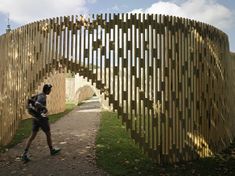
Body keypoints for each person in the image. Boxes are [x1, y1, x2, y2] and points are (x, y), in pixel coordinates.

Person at [21, 84, 61, 162]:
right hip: (41, 119)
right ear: (47, 90)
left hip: (35, 118)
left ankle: (24, 154)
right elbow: (37, 104)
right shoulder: (43, 96)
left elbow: (33, 103)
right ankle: (52, 150)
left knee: (32, 136)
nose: (50, 91)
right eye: (50, 89)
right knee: (48, 134)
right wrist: (44, 108)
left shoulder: (39, 95)